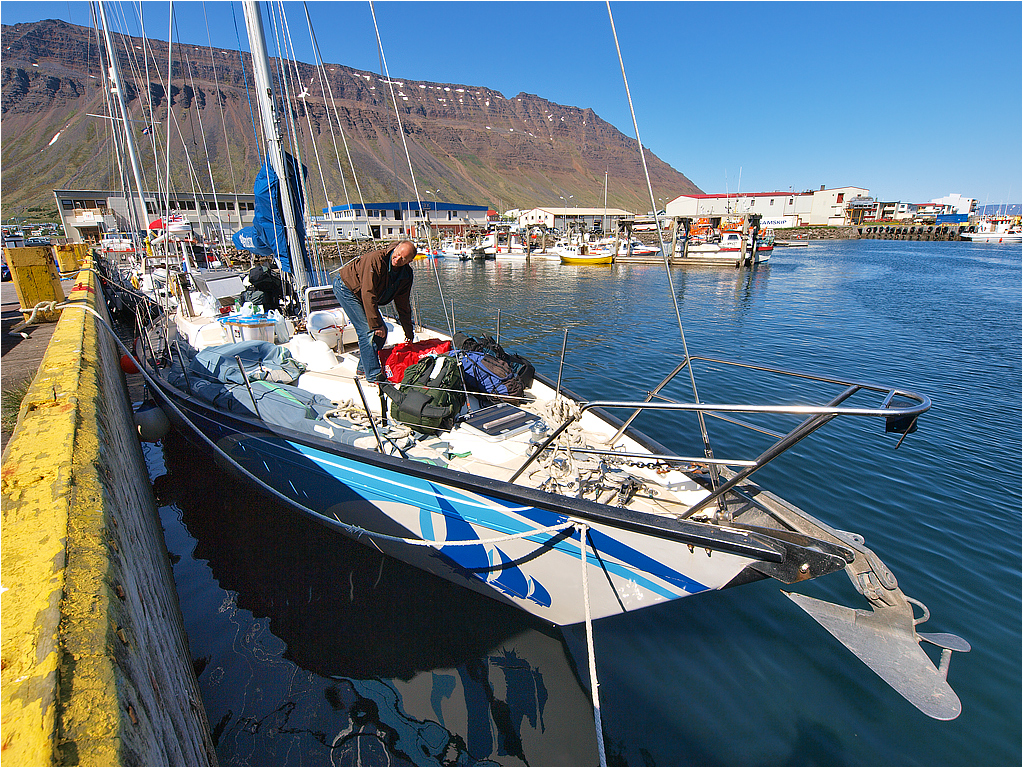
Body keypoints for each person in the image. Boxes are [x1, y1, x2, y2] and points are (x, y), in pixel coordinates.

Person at [332, 240, 417, 382]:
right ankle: (374, 376)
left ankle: (362, 368)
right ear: (395, 248)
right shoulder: (375, 259)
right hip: (347, 288)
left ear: (410, 261)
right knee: (368, 331)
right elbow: (368, 293)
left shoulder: (406, 275)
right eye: (397, 254)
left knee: (382, 333)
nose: (398, 259)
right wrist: (375, 325)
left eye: (403, 258)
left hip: (365, 294)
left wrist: (409, 332)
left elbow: (403, 305)